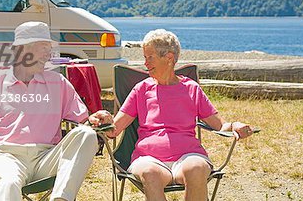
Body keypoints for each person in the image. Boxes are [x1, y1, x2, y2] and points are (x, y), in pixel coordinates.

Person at [0, 21, 113, 201]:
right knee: (8, 183)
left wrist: (96, 119)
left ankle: (61, 199)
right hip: (4, 155)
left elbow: (83, 122)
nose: (48, 54)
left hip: (46, 157)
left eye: (48, 48)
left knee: (87, 134)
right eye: (43, 47)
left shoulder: (58, 83)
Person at [108, 29, 254, 201]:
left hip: (188, 156)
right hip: (149, 159)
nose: (145, 63)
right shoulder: (141, 89)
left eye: (150, 57)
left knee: (197, 169)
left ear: (169, 57)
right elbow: (114, 129)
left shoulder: (191, 88)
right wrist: (102, 121)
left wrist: (235, 125)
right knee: (149, 173)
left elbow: (220, 125)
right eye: (145, 57)